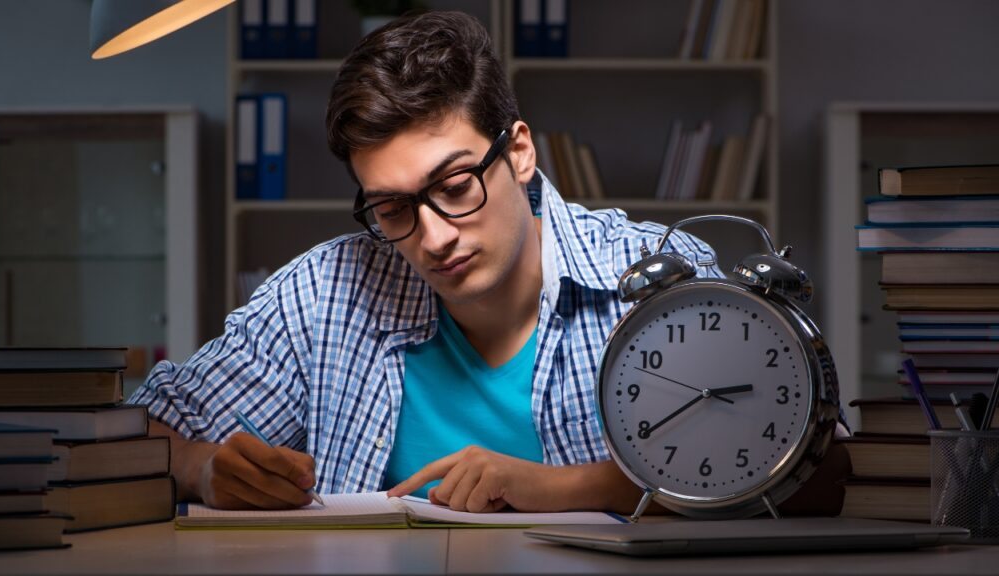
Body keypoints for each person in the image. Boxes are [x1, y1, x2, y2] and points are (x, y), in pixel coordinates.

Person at [130, 10, 847, 515]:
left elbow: (819, 474)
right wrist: (202, 470)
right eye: (392, 208)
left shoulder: (661, 275)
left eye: (453, 187)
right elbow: (130, 433)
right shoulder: (323, 292)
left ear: (521, 153)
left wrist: (563, 487)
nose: (434, 237)